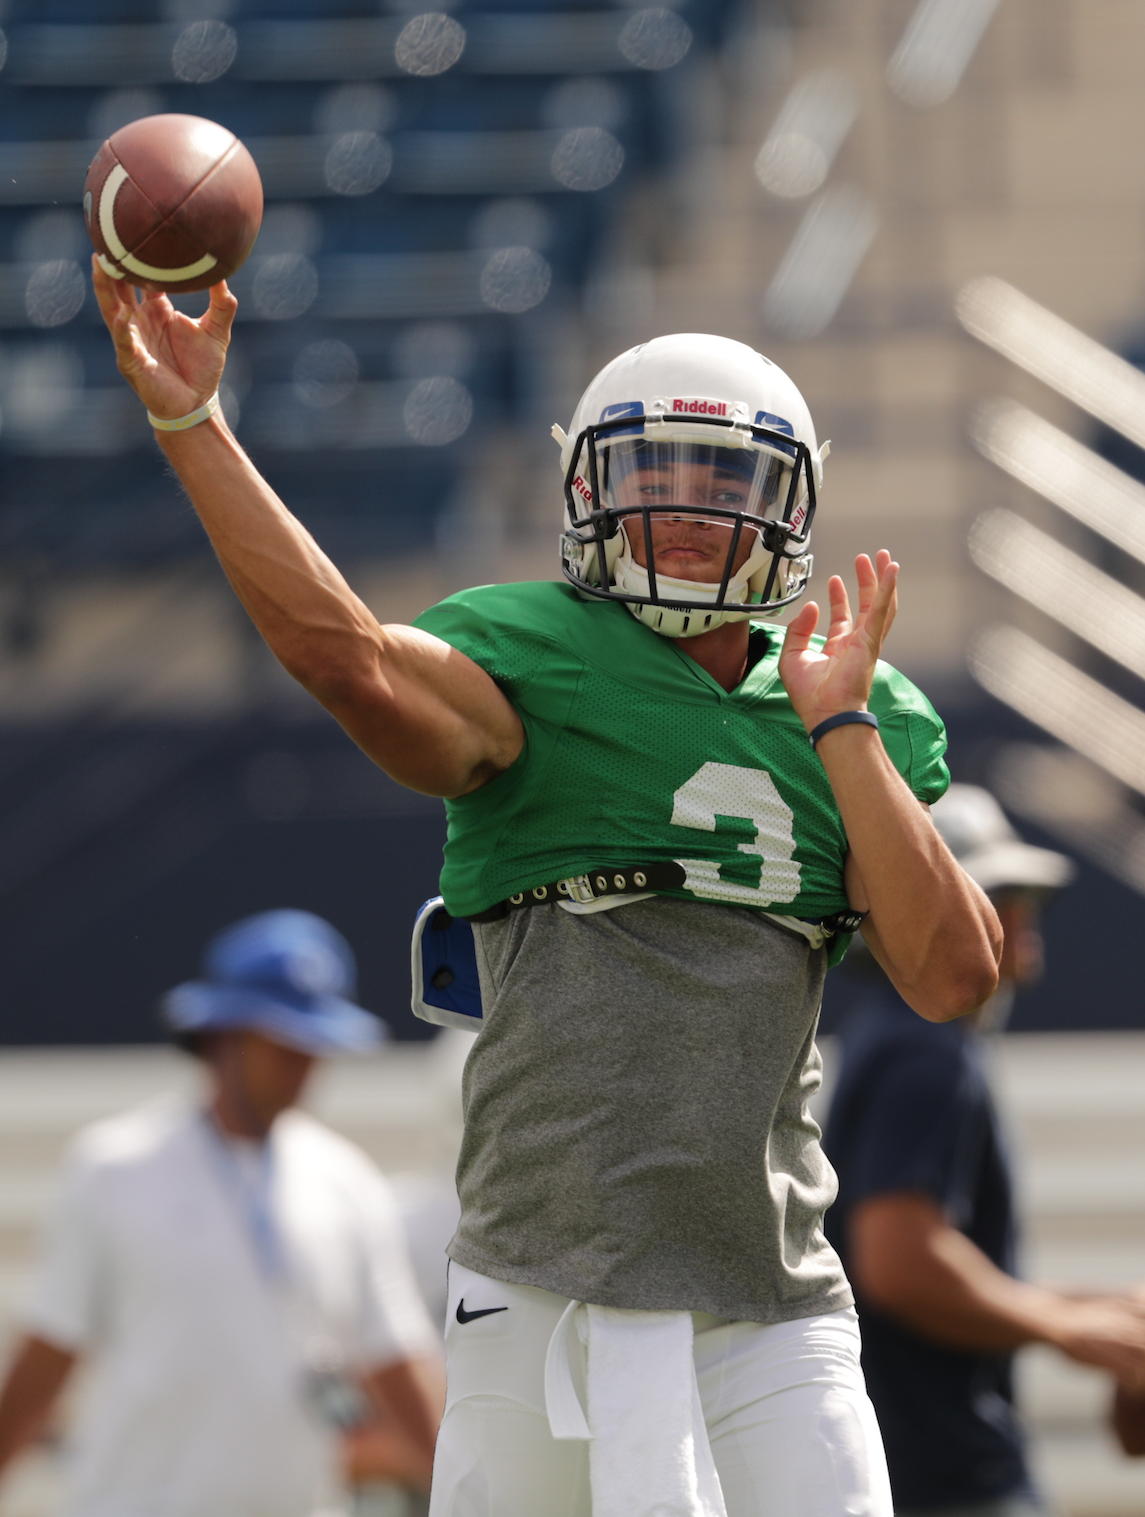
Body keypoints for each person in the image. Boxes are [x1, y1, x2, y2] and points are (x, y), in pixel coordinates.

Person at [92, 269, 999, 1517]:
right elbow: (346, 663)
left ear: (789, 504)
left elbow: (955, 976)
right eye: (654, 473)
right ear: (589, 491)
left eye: (724, 480)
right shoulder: (534, 652)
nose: (686, 510)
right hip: (540, 1286)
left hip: (775, 1295)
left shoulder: (854, 703)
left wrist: (837, 717)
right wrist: (197, 428)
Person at [0, 910, 442, 1517]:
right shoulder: (114, 1168)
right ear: (222, 1035)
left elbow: (396, 1362)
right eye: (284, 1041)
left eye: (316, 1044)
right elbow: (44, 1360)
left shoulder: (348, 1181)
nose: (305, 1063)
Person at [824, 782, 1145, 1516]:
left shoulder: (903, 1037)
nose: (1019, 915)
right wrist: (1059, 1326)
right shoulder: (926, 1053)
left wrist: (1088, 1308)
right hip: (938, 1470)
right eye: (989, 893)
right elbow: (897, 1260)